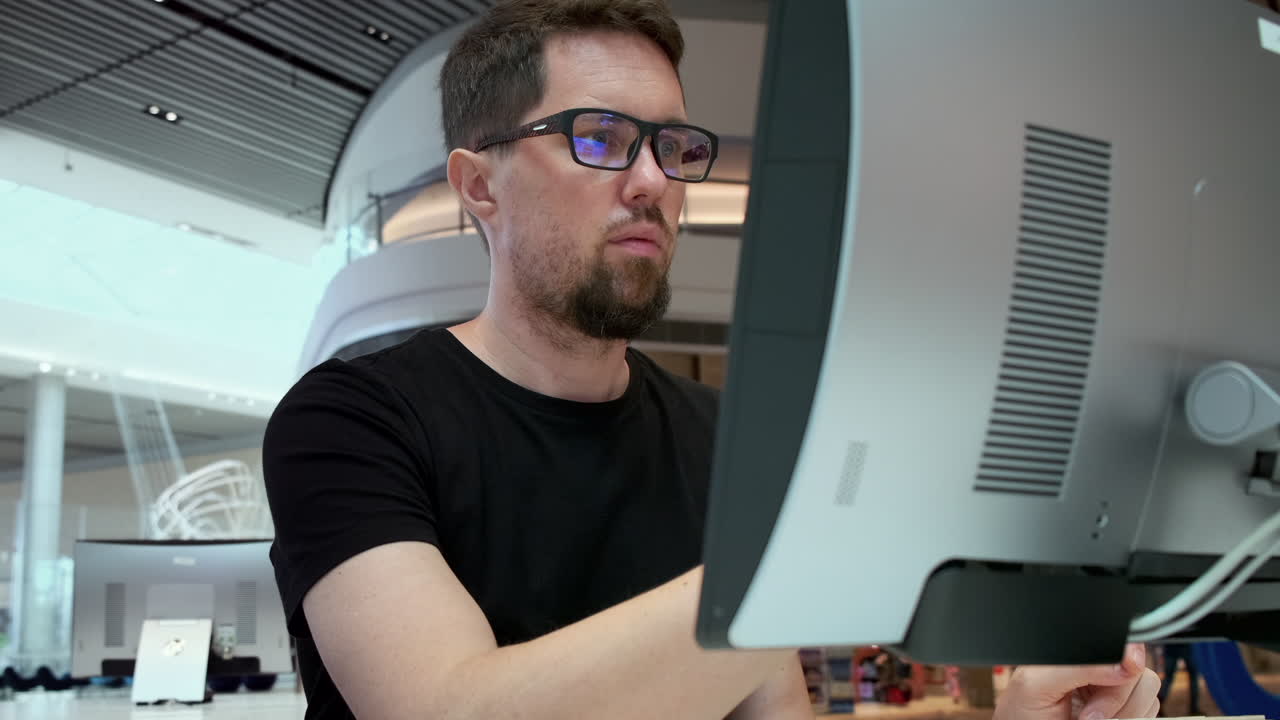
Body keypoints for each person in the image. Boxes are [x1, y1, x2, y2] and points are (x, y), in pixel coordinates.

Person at [262, 1, 1165, 718]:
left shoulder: (720, 441)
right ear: (479, 188)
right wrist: (817, 547)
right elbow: (441, 711)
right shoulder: (348, 423)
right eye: (601, 138)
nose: (654, 180)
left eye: (672, 145)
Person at [1157, 643, 1203, 716]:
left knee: (1169, 678)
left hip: (1175, 645)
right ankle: (1194, 709)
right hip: (1179, 645)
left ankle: (1158, 705)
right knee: (1193, 678)